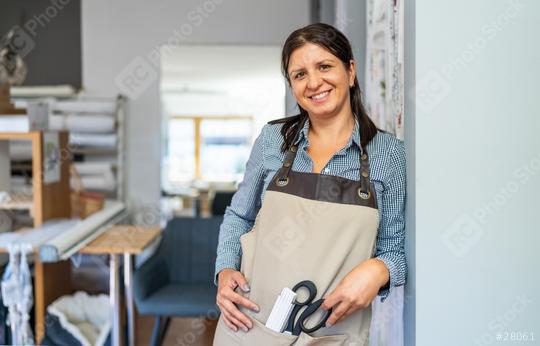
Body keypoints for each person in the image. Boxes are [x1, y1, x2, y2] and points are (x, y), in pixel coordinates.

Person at [213, 23, 406, 345]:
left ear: (351, 71)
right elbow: (239, 216)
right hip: (247, 325)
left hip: (333, 334)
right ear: (291, 85)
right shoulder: (272, 141)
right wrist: (223, 271)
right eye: (299, 74)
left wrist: (379, 270)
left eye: (325, 66)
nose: (314, 82)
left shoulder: (389, 155)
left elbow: (395, 249)